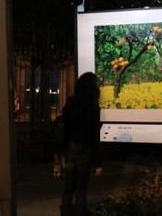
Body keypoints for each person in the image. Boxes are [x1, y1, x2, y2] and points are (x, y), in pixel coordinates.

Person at [60, 72, 102, 216]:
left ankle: (65, 213)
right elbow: (95, 134)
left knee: (68, 186)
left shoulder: (71, 102)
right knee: (81, 187)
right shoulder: (93, 105)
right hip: (85, 148)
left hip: (71, 147)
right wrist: (98, 162)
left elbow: (64, 126)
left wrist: (61, 149)